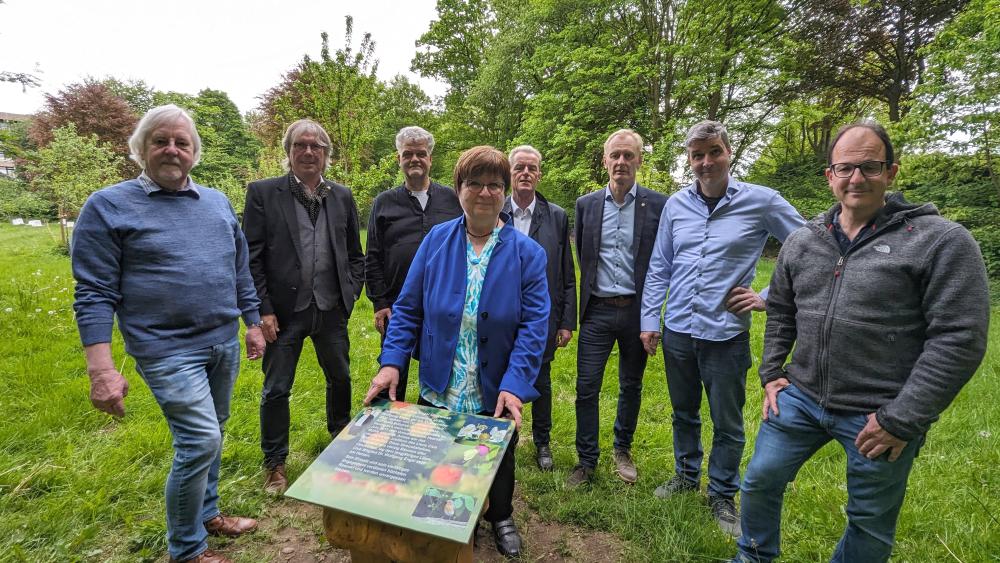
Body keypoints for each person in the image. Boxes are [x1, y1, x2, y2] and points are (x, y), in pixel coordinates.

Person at [733, 121, 990, 563]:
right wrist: (772, 372)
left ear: (891, 172)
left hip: (879, 412)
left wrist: (902, 418)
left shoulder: (941, 242)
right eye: (845, 168)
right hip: (801, 399)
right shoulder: (803, 241)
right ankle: (753, 557)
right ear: (830, 176)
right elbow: (782, 311)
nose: (857, 178)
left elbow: (959, 338)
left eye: (869, 167)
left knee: (869, 519)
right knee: (760, 479)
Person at [72, 104, 265, 563]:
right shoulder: (108, 206)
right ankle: (187, 549)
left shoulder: (216, 202)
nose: (172, 150)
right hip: (165, 349)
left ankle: (209, 514)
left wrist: (252, 323)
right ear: (141, 149)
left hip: (221, 340)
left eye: (182, 142)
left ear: (195, 153)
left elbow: (238, 270)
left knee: (214, 431)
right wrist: (100, 368)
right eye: (161, 141)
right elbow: (94, 292)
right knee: (200, 440)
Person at [364, 146, 549, 558]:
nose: (485, 192)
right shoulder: (436, 241)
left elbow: (534, 328)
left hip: (494, 381)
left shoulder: (528, 255)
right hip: (441, 376)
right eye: (474, 183)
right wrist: (391, 362)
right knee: (443, 454)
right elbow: (409, 307)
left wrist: (516, 384)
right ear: (459, 188)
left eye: (494, 185)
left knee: (495, 456)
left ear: (504, 193)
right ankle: (442, 513)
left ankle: (500, 515)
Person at [639, 120, 804, 536]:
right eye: (698, 155)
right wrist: (649, 320)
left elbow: (809, 246)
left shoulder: (762, 201)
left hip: (726, 334)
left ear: (729, 153)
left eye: (714, 152)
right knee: (683, 412)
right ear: (690, 160)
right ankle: (686, 475)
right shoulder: (676, 205)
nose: (706, 162)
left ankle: (723, 494)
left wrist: (768, 296)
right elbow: (660, 266)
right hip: (678, 329)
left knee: (726, 422)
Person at [242, 119, 365, 494]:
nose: (309, 152)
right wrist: (263, 310)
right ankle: (275, 463)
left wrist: (350, 293)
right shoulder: (264, 193)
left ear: (327, 154)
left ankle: (341, 441)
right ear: (289, 151)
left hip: (331, 309)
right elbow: (252, 257)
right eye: (301, 145)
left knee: (340, 378)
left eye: (317, 146)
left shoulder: (341, 195)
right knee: (277, 388)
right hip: (283, 313)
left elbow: (355, 255)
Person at [568, 129, 667, 487]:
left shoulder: (659, 204)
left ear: (640, 160)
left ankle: (622, 449)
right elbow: (584, 257)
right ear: (604, 160)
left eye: (629, 155)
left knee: (631, 385)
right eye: (615, 155)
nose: (621, 162)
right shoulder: (586, 205)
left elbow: (662, 261)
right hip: (596, 309)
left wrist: (652, 317)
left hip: (637, 311)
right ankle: (586, 459)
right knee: (586, 386)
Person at [365, 126, 462, 401]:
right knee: (393, 369)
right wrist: (380, 303)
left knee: (440, 374)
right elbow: (372, 255)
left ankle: (431, 430)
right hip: (397, 306)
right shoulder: (384, 203)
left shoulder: (453, 200)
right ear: (399, 159)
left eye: (421, 153)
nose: (415, 159)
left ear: (430, 158)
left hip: (443, 303)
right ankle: (386, 433)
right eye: (408, 154)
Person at [501, 145, 576, 471]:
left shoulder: (556, 216)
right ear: (510, 173)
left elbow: (566, 273)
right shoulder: (495, 211)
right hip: (501, 312)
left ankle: (542, 441)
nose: (526, 173)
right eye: (520, 167)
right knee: (500, 375)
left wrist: (566, 321)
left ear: (539, 174)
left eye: (532, 168)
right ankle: (504, 437)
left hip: (541, 314)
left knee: (541, 380)